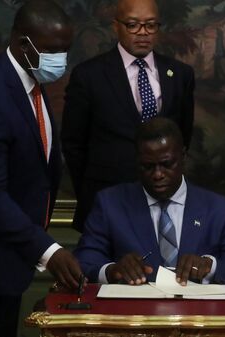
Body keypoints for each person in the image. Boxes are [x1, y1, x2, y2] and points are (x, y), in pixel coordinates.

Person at [0, 1, 83, 336]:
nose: (59, 60)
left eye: (65, 50)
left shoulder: (31, 84)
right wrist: (47, 249)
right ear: (22, 42)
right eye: (52, 50)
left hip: (9, 264)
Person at [61, 0, 195, 232]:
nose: (143, 33)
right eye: (133, 25)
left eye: (151, 25)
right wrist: (91, 190)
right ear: (116, 26)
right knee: (107, 268)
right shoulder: (89, 76)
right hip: (106, 200)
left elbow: (183, 135)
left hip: (165, 203)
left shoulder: (180, 74)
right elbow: (74, 144)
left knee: (163, 268)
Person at [74, 117, 225, 285]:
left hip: (198, 316)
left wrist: (209, 266)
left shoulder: (219, 209)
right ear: (137, 162)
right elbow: (83, 262)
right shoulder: (110, 204)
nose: (158, 174)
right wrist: (111, 271)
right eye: (148, 166)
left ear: (183, 158)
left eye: (167, 164)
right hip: (134, 316)